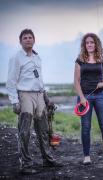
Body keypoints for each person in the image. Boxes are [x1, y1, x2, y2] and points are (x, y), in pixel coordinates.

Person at [6, 29, 62, 174]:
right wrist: (14, 101)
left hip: (39, 95)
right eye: (25, 38)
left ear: (34, 40)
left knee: (43, 130)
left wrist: (46, 96)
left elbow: (39, 79)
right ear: (20, 41)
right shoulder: (16, 58)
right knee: (25, 131)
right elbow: (11, 82)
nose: (28, 39)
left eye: (30, 37)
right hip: (25, 95)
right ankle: (26, 165)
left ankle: (47, 160)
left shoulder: (37, 57)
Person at [74, 33, 103, 165]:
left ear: (96, 44)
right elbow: (76, 81)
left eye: (92, 42)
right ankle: (86, 157)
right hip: (85, 97)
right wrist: (81, 98)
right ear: (84, 45)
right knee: (86, 127)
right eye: (87, 43)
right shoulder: (80, 59)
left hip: (101, 96)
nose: (90, 44)